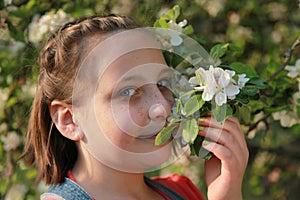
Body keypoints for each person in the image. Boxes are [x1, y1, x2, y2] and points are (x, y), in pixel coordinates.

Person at [21, 14, 249, 200]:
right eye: (128, 91)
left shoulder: (182, 191)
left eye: (163, 84)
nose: (161, 107)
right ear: (69, 119)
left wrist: (228, 195)